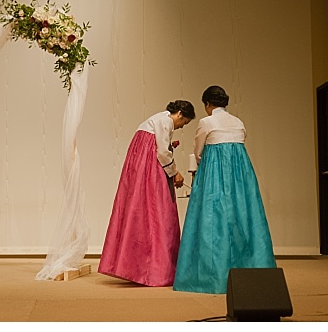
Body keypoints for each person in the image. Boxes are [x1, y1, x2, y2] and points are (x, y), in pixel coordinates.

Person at [173, 86, 276, 294]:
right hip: (241, 174)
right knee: (243, 217)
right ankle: (251, 271)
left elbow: (198, 151)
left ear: (208, 104)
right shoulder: (238, 122)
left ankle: (211, 276)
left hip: (214, 173)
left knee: (212, 220)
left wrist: (204, 165)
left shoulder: (206, 122)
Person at [98, 100, 196, 287]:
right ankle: (157, 268)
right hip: (150, 167)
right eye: (184, 122)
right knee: (159, 211)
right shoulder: (165, 121)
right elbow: (162, 152)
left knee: (140, 210)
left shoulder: (155, 121)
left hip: (140, 165)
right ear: (180, 114)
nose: (182, 126)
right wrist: (175, 172)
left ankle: (138, 266)